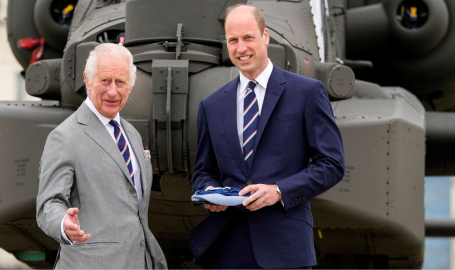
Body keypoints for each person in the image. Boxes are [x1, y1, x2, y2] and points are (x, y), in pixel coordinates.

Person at [188, 4, 345, 269]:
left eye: (248, 37)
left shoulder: (307, 92)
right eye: (233, 40)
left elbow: (332, 165)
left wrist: (278, 191)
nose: (241, 48)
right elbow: (203, 171)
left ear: (266, 36)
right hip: (227, 250)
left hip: (286, 250)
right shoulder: (211, 105)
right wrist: (210, 193)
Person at [36, 43, 167, 269]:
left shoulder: (132, 135)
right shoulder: (65, 137)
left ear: (131, 85)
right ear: (88, 80)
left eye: (121, 82)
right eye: (105, 80)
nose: (113, 91)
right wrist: (63, 224)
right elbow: (49, 204)